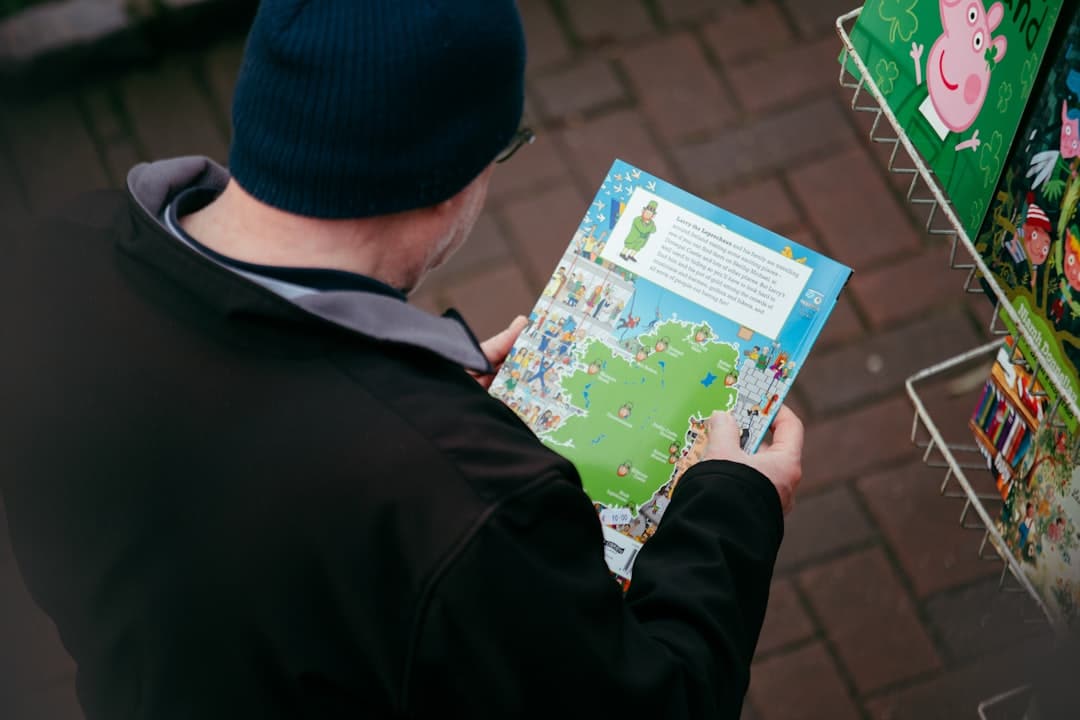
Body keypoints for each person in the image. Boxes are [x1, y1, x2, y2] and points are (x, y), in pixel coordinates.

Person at [1, 1, 804, 718]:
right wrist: (733, 508)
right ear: (449, 182)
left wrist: (403, 398)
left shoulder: (55, 260)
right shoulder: (472, 508)